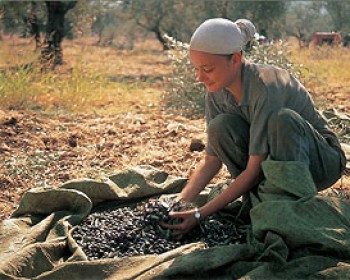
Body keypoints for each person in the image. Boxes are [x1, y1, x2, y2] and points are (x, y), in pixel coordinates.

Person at [162, 18, 346, 237]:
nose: (200, 77)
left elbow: (254, 169)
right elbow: (211, 161)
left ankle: (289, 208)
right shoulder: (215, 93)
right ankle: (267, 201)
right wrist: (180, 202)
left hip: (319, 163)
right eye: (197, 69)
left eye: (207, 69)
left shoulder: (267, 87)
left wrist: (201, 214)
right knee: (219, 127)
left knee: (282, 120)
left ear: (236, 59)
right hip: (270, 164)